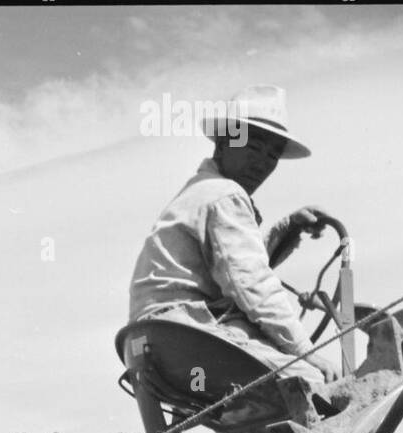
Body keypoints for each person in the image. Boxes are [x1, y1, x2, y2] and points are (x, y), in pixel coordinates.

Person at [128, 84, 339, 388]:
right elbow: (251, 283)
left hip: (157, 344)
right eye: (253, 147)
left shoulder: (201, 191)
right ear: (223, 144)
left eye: (272, 155)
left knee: (262, 419)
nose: (263, 163)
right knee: (316, 386)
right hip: (188, 333)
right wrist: (306, 352)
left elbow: (232, 264)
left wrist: (288, 227)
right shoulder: (225, 195)